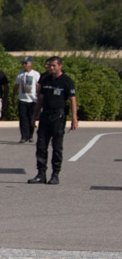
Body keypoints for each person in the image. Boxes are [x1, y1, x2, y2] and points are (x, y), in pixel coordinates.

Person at [27, 56, 78, 185]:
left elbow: (72, 100)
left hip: (58, 116)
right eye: (49, 65)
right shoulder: (45, 79)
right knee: (41, 146)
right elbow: (40, 99)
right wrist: (34, 116)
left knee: (57, 147)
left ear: (60, 66)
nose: (51, 68)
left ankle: (55, 174)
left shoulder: (66, 81)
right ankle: (41, 174)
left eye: (53, 65)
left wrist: (74, 118)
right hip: (45, 115)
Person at [13, 56, 40, 143]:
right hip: (22, 99)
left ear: (31, 64)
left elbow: (38, 87)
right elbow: (16, 86)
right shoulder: (20, 74)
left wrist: (39, 98)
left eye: (26, 63)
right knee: (23, 119)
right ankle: (24, 136)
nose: (24, 65)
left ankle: (30, 135)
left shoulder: (36, 74)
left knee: (31, 118)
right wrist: (13, 96)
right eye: (23, 63)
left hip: (33, 100)